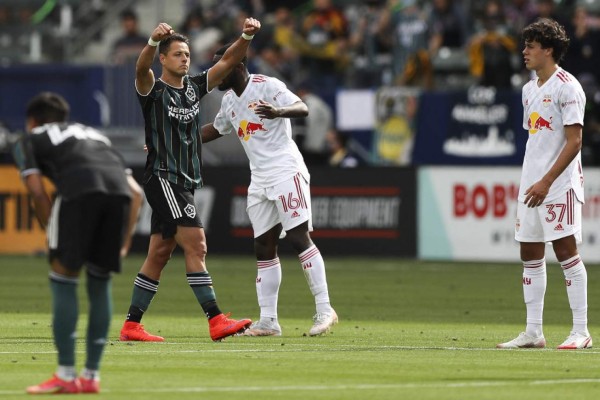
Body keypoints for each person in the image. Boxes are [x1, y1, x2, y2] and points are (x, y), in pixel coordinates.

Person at [119, 18, 261, 343]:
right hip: (164, 178)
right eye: (178, 54)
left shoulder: (195, 87)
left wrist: (246, 36)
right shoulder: (153, 91)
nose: (185, 58)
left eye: (187, 53)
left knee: (159, 252)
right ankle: (216, 319)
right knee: (197, 244)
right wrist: (152, 42)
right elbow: (140, 69)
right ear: (163, 59)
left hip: (184, 180)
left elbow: (227, 62)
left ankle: (131, 325)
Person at [200, 43, 338, 337]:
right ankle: (269, 321)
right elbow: (215, 129)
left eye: (221, 66)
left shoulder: (267, 85)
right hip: (259, 178)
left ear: (237, 65)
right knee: (263, 247)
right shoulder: (229, 102)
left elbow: (302, 107)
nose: (216, 74)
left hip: (285, 170)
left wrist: (278, 111)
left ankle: (325, 309)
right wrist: (176, 138)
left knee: (300, 238)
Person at [11, 92, 143, 394]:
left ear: (33, 121)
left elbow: (36, 190)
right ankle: (91, 376)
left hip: (78, 194)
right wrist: (123, 242)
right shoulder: (95, 136)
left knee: (63, 279)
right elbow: (135, 192)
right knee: (100, 282)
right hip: (118, 197)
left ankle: (66, 374)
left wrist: (51, 232)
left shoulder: (27, 139)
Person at [497, 18, 591, 350]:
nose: (524, 52)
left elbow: (574, 141)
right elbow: (537, 138)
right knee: (529, 252)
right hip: (531, 184)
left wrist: (547, 181)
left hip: (559, 184)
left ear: (548, 50)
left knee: (566, 251)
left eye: (531, 47)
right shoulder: (528, 90)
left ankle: (581, 330)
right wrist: (533, 181)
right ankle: (533, 332)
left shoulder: (568, 87)